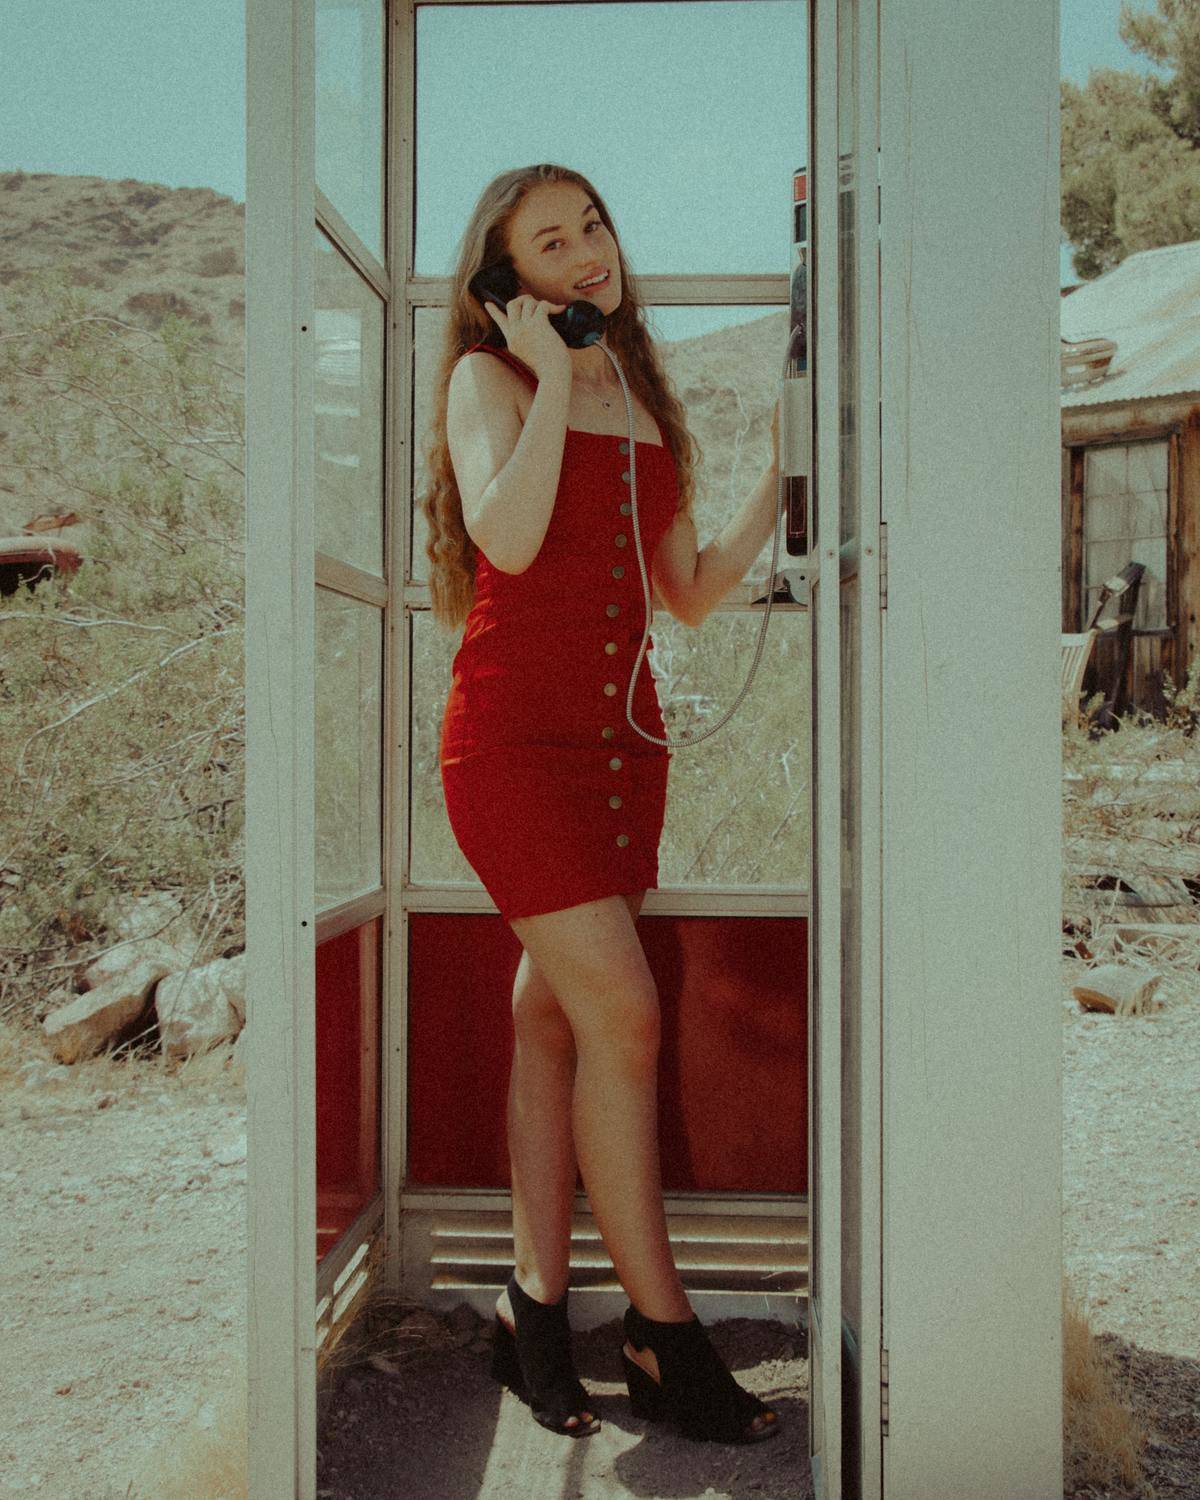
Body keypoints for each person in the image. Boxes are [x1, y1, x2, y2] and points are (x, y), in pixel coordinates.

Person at [421, 163, 782, 1445]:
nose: (587, 255)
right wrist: (555, 381)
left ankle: (532, 1313)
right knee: (624, 1013)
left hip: (624, 750)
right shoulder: (488, 382)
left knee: (555, 1022)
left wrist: (781, 477)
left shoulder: (640, 391)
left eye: (595, 228)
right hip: (515, 750)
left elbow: (684, 590)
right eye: (551, 242)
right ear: (506, 281)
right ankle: (661, 1333)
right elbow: (507, 541)